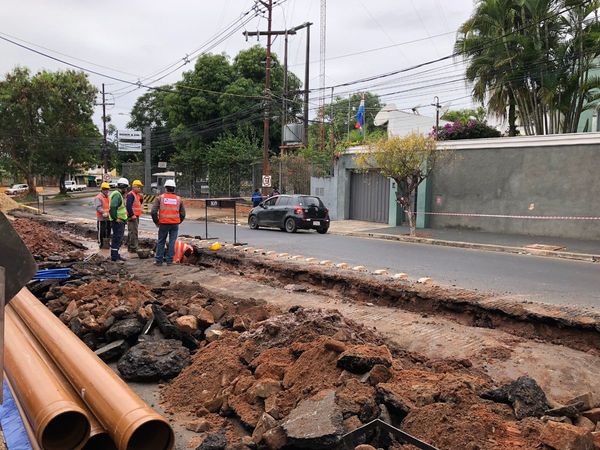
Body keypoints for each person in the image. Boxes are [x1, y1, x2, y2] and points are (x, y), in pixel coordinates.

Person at [151, 179, 186, 266]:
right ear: (174, 189)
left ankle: (159, 260)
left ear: (165, 188)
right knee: (172, 242)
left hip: (163, 223)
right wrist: (178, 221)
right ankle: (169, 261)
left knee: (161, 241)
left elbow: (153, 211)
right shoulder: (179, 199)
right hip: (174, 224)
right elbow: (183, 213)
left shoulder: (160, 198)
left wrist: (157, 222)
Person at [109, 178, 129, 262]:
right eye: (126, 188)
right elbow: (113, 207)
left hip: (120, 220)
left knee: (118, 238)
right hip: (118, 221)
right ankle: (114, 257)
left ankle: (116, 255)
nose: (126, 190)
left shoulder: (118, 194)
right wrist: (115, 218)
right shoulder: (117, 195)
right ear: (124, 187)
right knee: (117, 238)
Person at [126, 180, 144, 253]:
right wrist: (132, 215)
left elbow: (139, 204)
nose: (140, 189)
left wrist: (142, 198)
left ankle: (131, 246)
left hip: (136, 216)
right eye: (139, 187)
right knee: (133, 232)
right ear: (134, 187)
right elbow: (128, 206)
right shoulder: (131, 195)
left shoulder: (136, 195)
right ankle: (134, 247)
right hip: (133, 217)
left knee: (132, 232)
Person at [94, 182, 111, 249]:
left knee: (108, 231)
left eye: (107, 189)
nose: (107, 191)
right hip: (102, 218)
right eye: (105, 189)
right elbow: (98, 207)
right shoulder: (98, 197)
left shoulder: (108, 197)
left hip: (108, 217)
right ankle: (101, 244)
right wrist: (103, 212)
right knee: (102, 231)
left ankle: (107, 243)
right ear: (102, 189)